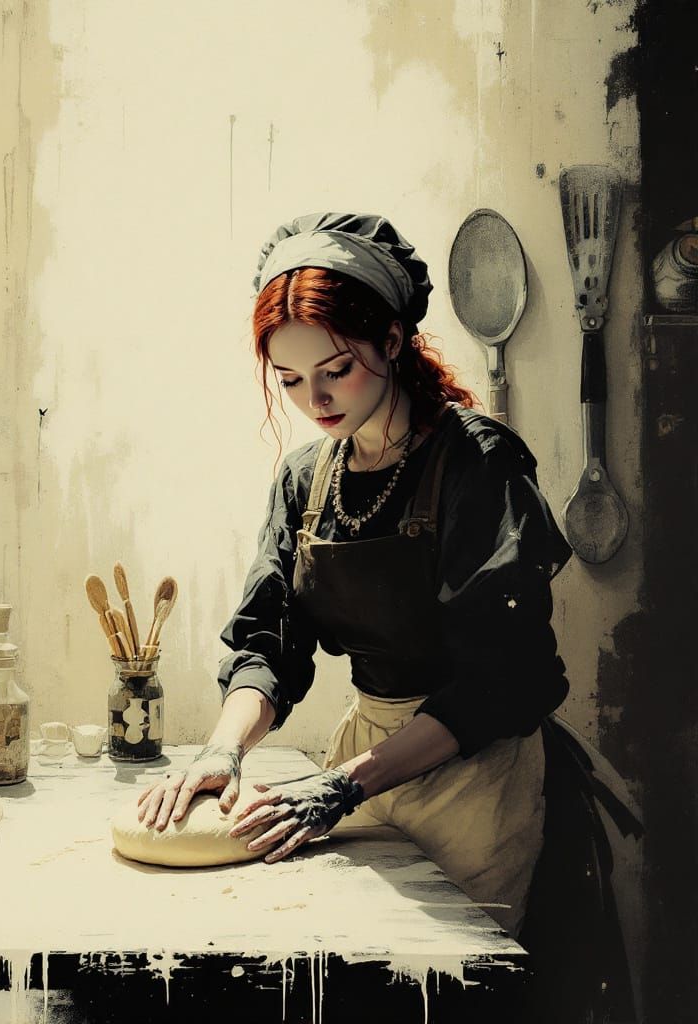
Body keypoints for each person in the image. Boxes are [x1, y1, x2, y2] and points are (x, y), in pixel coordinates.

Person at [137, 211, 576, 943]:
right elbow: (269, 641)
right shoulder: (306, 479)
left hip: (473, 773)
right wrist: (223, 749)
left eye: (336, 370)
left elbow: (504, 680)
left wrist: (343, 785)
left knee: (443, 981)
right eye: (291, 380)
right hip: (362, 753)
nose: (316, 400)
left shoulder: (478, 462)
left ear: (394, 341)